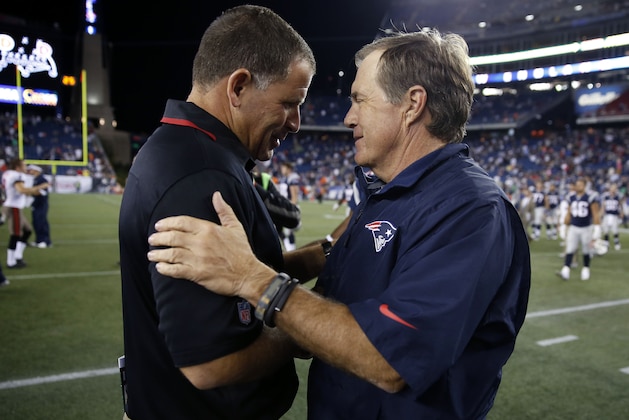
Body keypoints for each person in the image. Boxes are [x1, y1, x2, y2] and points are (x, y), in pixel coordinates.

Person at [147, 28, 531, 419]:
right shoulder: (385, 192)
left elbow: (390, 359)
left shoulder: (469, 210)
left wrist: (254, 280)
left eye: (360, 100)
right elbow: (343, 298)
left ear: (412, 104)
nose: (348, 118)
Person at [118, 5, 317, 419]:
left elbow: (242, 274)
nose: (296, 122)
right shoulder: (202, 176)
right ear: (239, 86)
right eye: (289, 102)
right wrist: (301, 333)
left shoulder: (184, 148)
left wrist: (325, 252)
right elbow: (210, 364)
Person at [1, 158, 49, 268]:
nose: (25, 168)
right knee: (16, 234)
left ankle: (17, 255)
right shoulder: (17, 175)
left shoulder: (8, 173)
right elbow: (21, 190)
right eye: (23, 165)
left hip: (11, 204)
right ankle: (11, 261)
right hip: (14, 207)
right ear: (17, 167)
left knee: (27, 231)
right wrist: (40, 187)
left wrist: (33, 192)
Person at [557, 177, 601, 281]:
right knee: (570, 248)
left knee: (586, 250)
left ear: (585, 186)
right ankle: (565, 270)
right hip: (574, 226)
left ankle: (586, 268)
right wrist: (564, 225)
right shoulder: (571, 197)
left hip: (586, 227)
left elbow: (595, 213)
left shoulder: (590, 197)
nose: (578, 187)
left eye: (580, 185)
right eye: (577, 185)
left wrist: (597, 228)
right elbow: (569, 212)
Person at [277, 161, 301, 251]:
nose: (282, 170)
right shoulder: (285, 178)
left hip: (289, 206)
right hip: (284, 206)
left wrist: (290, 207)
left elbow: (294, 197)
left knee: (288, 230)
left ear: (288, 168)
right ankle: (288, 246)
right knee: (279, 228)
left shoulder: (292, 178)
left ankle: (291, 249)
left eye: (283, 168)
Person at [26, 165, 52, 248]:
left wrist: (32, 191)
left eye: (31, 170)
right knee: (36, 222)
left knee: (42, 222)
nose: (30, 171)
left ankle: (45, 241)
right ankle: (38, 240)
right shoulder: (35, 179)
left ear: (36, 170)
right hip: (35, 203)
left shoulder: (42, 179)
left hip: (41, 204)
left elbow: (42, 192)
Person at [600, 183, 623, 250]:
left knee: (615, 230)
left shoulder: (618, 196)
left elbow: (620, 205)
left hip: (614, 215)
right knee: (606, 230)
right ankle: (606, 243)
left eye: (615, 188)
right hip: (607, 215)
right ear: (610, 188)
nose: (613, 189)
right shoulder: (606, 196)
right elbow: (603, 206)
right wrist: (601, 214)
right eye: (612, 188)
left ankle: (617, 243)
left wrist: (621, 212)